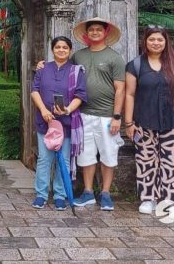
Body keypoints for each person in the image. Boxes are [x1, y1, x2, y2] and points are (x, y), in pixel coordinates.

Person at [39, 17, 126, 210]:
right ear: (86, 34)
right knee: (85, 155)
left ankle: (106, 193)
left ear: (105, 32)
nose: (95, 32)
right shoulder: (79, 56)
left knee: (108, 154)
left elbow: (120, 89)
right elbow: (61, 66)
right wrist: (42, 66)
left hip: (107, 115)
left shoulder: (114, 58)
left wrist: (117, 116)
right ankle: (88, 192)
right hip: (82, 114)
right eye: (91, 29)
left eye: (98, 29)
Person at [123, 26, 174, 220]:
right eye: (152, 39)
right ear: (145, 41)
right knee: (145, 158)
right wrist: (129, 122)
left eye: (160, 39)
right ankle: (148, 198)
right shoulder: (135, 65)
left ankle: (172, 201)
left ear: (166, 41)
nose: (156, 43)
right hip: (143, 119)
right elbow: (129, 94)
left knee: (172, 159)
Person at [30, 36, 87, 210]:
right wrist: (43, 110)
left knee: (64, 160)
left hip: (66, 123)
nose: (61, 50)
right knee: (44, 159)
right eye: (58, 47)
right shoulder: (43, 69)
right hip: (45, 121)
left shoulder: (76, 71)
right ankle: (41, 194)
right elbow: (34, 91)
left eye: (65, 47)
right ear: (52, 49)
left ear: (70, 50)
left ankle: (60, 195)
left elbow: (80, 95)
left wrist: (68, 109)